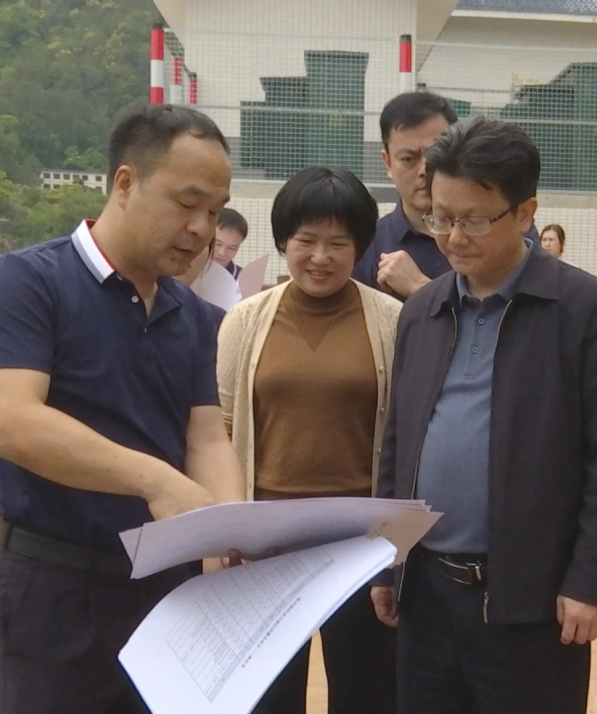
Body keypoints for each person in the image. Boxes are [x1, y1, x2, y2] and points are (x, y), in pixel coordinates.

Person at [0, 104, 245, 713]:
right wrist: (155, 480)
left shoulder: (195, 317)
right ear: (125, 182)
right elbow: (13, 423)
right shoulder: (25, 282)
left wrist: (226, 533)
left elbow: (206, 437)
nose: (201, 228)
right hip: (55, 589)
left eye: (215, 212)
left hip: (169, 593)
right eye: (188, 203)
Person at [371, 116, 597, 713]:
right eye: (440, 217)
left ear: (525, 213)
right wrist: (387, 565)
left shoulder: (586, 310)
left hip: (532, 602)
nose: (453, 237)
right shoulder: (423, 311)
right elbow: (399, 444)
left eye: (474, 220)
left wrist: (589, 582)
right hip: (428, 596)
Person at [217, 166, 402, 714]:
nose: (321, 257)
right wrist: (224, 529)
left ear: (359, 247)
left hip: (359, 546)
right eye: (306, 240)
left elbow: (406, 433)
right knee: (268, 698)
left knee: (365, 693)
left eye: (338, 243)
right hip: (266, 546)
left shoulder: (393, 321)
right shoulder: (245, 320)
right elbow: (222, 425)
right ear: (283, 241)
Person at [352, 92, 539, 301]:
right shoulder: (366, 245)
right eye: (408, 159)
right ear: (387, 162)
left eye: (435, 155)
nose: (424, 170)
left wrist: (420, 288)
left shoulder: (506, 228)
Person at [213, 207, 249, 279]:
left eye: (231, 248)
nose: (222, 253)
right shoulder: (189, 271)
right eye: (217, 244)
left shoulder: (242, 278)